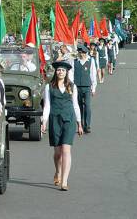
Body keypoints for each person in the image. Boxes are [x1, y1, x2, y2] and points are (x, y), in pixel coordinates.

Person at [41, 61, 83, 191]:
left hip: (69, 119)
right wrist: (44, 121)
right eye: (59, 70)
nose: (60, 72)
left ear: (66, 73)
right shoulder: (49, 86)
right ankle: (58, 171)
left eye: (63, 70)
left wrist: (79, 123)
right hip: (55, 119)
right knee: (57, 153)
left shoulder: (72, 86)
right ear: (56, 72)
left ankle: (64, 181)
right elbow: (47, 105)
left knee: (66, 150)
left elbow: (75, 105)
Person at [73, 45, 97, 134]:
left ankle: (87, 125)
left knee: (87, 106)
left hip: (87, 86)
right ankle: (81, 125)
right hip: (77, 87)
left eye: (83, 53)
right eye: (80, 53)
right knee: (78, 107)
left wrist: (93, 88)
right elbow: (71, 74)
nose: (81, 54)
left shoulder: (90, 61)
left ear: (86, 53)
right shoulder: (75, 61)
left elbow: (93, 74)